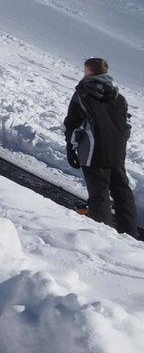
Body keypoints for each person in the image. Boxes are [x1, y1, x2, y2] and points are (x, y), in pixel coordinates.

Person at [64, 57, 138, 237]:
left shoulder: (82, 95)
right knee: (122, 192)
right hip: (116, 152)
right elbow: (126, 126)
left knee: (99, 194)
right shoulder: (119, 98)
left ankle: (104, 236)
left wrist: (71, 147)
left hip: (93, 152)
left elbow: (74, 125)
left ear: (89, 72)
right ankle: (130, 233)